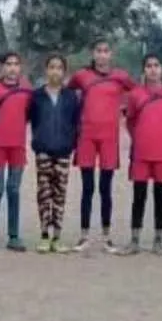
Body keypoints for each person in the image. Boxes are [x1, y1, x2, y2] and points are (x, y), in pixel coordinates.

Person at [68, 38, 134, 253]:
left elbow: (138, 94)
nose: (102, 55)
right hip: (86, 135)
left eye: (106, 51)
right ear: (93, 53)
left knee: (106, 189)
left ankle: (106, 237)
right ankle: (84, 235)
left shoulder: (121, 76)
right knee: (88, 188)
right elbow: (68, 94)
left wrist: (125, 110)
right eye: (98, 50)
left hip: (109, 138)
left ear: (111, 54)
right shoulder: (81, 76)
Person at [123, 53, 162, 255]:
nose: (153, 69)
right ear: (144, 70)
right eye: (149, 66)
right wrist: (139, 138)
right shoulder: (135, 95)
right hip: (141, 152)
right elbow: (130, 121)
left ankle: (158, 240)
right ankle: (135, 240)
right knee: (138, 196)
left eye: (157, 65)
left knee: (160, 196)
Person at [28, 53, 80, 253]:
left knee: (60, 194)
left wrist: (70, 143)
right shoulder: (37, 96)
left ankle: (57, 237)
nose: (55, 71)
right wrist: (39, 140)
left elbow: (75, 122)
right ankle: (43, 235)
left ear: (64, 72)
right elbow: (32, 120)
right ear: (46, 70)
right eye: (52, 67)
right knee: (44, 192)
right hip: (43, 150)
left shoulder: (70, 97)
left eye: (59, 67)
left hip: (64, 151)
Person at [0, 51, 32, 252]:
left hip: (17, 146)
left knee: (14, 190)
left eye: (16, 64)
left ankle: (13, 236)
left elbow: (28, 114)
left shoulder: (27, 90)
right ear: (0, 67)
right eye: (8, 64)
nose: (12, 68)